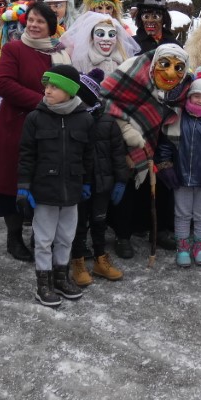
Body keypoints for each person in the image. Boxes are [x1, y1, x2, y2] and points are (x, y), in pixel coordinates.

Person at [0, 2, 70, 262]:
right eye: (31, 20)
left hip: (48, 129)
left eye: (40, 22)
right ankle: (14, 237)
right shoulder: (14, 49)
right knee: (13, 182)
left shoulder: (59, 54)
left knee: (42, 181)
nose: (33, 25)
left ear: (50, 27)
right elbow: (4, 84)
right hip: (16, 126)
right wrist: (43, 101)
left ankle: (40, 235)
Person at [16, 65, 95, 307]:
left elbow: (88, 155)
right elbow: (27, 155)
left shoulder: (84, 119)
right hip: (44, 190)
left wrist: (87, 182)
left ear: (69, 91)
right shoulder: (36, 118)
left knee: (65, 237)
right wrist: (24, 186)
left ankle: (61, 277)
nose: (47, 91)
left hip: (71, 190)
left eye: (54, 87)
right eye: (47, 86)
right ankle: (43, 283)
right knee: (43, 238)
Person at [156, 68, 201, 267]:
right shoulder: (178, 118)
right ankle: (182, 246)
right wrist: (166, 167)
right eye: (196, 95)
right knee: (181, 213)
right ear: (189, 96)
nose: (199, 100)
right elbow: (165, 146)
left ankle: (199, 245)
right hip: (181, 177)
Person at [68, 69, 128, 286]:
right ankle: (78, 262)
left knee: (100, 221)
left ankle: (100, 259)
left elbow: (118, 154)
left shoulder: (107, 121)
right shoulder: (73, 120)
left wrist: (121, 180)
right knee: (79, 224)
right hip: (80, 184)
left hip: (103, 183)